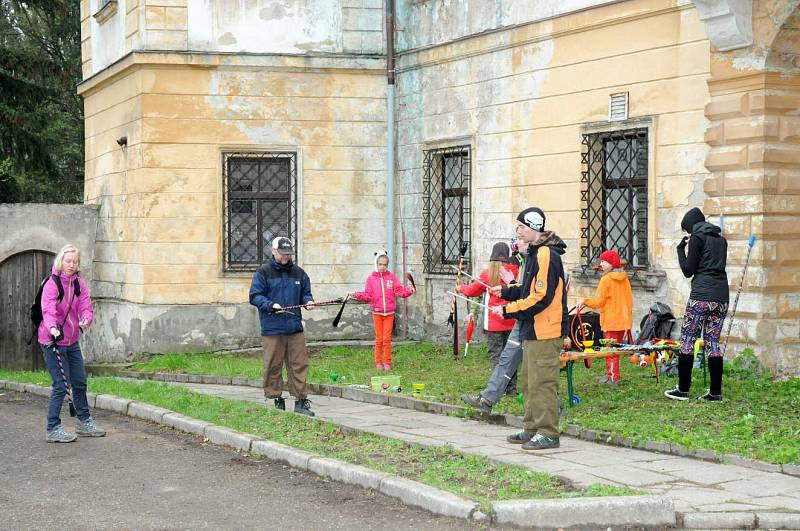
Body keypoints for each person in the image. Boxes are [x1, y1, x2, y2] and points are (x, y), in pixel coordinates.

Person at [490, 207, 568, 450]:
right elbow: (528, 289)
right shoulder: (535, 254)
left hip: (546, 330)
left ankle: (548, 432)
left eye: (522, 227)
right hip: (532, 329)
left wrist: (507, 310)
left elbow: (541, 296)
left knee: (543, 382)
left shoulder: (546, 254)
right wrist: (506, 291)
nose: (518, 232)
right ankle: (532, 427)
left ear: (535, 228)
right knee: (528, 382)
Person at [39, 244, 105, 442]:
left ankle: (84, 422)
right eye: (68, 261)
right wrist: (52, 328)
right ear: (61, 261)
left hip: (72, 340)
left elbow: (86, 306)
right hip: (53, 341)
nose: (72, 265)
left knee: (79, 381)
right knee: (61, 385)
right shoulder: (52, 283)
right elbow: (48, 310)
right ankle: (53, 428)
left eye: (75, 262)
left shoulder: (79, 284)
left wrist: (86, 318)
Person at [665, 207, 729, 401]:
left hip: (701, 297)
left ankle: (683, 390)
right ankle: (715, 393)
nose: (688, 235)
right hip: (721, 297)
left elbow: (687, 270)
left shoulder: (696, 239)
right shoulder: (721, 240)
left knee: (687, 341)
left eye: (688, 231)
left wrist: (679, 249)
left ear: (691, 227)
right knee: (712, 343)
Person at [249, 236, 316, 416]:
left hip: (294, 327)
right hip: (272, 328)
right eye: (282, 254)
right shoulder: (263, 272)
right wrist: (270, 305)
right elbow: (255, 296)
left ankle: (301, 401)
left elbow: (306, 293)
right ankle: (275, 399)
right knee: (273, 364)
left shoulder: (299, 273)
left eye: (288, 254)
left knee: (299, 364)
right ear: (273, 251)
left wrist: (308, 301)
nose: (286, 257)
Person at [460, 242, 521, 412]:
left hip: (494, 322)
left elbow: (473, 290)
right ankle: (511, 389)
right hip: (511, 319)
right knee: (511, 356)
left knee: (497, 356)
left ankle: (498, 388)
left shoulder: (489, 274)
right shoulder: (514, 272)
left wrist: (460, 287)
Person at [352, 249, 415, 371]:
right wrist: (357, 295)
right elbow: (368, 295)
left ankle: (387, 362)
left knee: (386, 339)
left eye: (385, 265)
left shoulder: (391, 277)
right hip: (377, 313)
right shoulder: (371, 279)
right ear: (376, 264)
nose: (382, 267)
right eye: (380, 264)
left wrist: (410, 291)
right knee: (379, 339)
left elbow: (399, 290)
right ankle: (378, 362)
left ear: (387, 265)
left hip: (389, 314)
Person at [581, 249, 633, 385]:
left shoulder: (606, 280)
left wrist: (584, 302)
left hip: (611, 320)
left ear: (611, 263)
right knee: (614, 350)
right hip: (622, 319)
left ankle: (612, 378)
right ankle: (612, 375)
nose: (601, 263)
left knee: (610, 351)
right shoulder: (625, 278)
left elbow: (599, 301)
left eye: (604, 261)